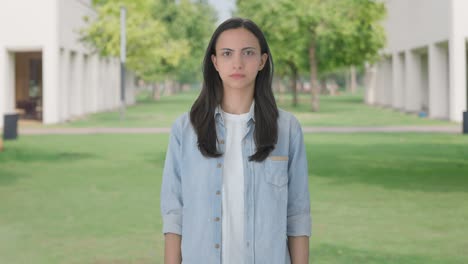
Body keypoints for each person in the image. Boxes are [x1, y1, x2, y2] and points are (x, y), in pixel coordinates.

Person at [161, 17, 311, 264]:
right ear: (215, 62)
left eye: (248, 53)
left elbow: (297, 215)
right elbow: (174, 214)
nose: (238, 63)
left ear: (262, 61)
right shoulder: (184, 130)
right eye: (227, 53)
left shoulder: (287, 129)